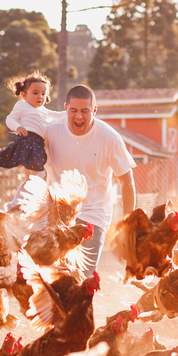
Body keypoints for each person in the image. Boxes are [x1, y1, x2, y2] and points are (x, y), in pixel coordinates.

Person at [43, 84, 136, 278]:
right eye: (74, 110)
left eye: (85, 111)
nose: (79, 117)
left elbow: (126, 180)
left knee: (82, 279)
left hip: (93, 213)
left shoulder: (109, 138)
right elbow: (34, 170)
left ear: (94, 110)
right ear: (65, 108)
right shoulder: (50, 132)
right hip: (57, 214)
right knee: (53, 276)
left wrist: (128, 225)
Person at [0, 73, 64, 174]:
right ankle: (24, 169)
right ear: (24, 95)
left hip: (39, 142)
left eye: (43, 94)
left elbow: (57, 115)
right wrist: (17, 127)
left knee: (34, 167)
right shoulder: (22, 105)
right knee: (32, 167)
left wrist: (71, 111)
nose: (40, 96)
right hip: (26, 138)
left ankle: (29, 178)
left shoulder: (44, 110)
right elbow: (10, 119)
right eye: (35, 93)